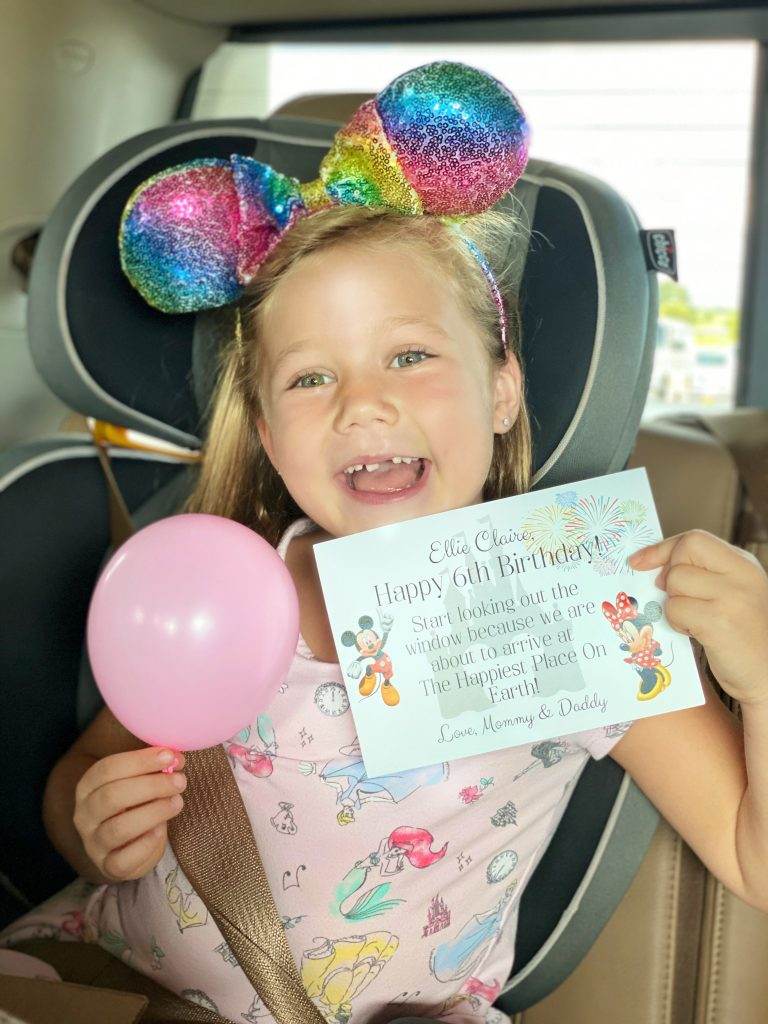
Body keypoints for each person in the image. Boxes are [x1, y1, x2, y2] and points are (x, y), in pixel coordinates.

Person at [2, 60, 767, 1024]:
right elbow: (88, 771)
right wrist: (88, 826)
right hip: (114, 986)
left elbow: (753, 856)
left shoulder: (583, 607)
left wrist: (762, 671)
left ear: (502, 391)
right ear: (273, 438)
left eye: (410, 356)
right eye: (312, 378)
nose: (365, 402)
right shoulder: (224, 574)